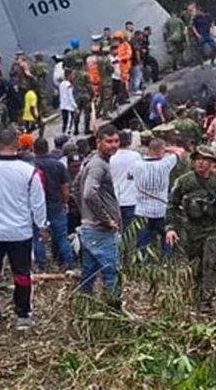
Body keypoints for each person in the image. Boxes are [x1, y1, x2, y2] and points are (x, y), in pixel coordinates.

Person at [0, 129, 48, 331]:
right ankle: (23, 315)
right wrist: (42, 225)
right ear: (18, 145)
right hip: (20, 231)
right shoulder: (29, 171)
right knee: (22, 274)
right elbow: (38, 202)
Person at [165, 145, 216, 312]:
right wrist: (171, 227)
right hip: (191, 230)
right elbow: (172, 205)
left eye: (205, 160)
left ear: (212, 163)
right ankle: (195, 294)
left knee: (211, 262)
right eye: (197, 159)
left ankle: (206, 300)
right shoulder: (184, 182)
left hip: (213, 228)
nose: (200, 163)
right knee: (195, 264)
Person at [77, 124, 121, 302]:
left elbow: (75, 188)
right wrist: (106, 219)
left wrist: (86, 215)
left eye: (116, 141)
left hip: (89, 227)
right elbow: (88, 193)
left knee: (89, 269)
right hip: (100, 230)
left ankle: (83, 304)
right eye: (109, 141)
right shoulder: (98, 165)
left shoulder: (92, 161)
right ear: (99, 142)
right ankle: (114, 309)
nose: (114, 145)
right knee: (111, 271)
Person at [31, 138, 75, 272]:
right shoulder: (57, 165)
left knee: (38, 237)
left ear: (33, 149)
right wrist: (65, 202)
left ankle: (42, 265)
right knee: (62, 236)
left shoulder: (30, 166)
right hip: (56, 205)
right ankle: (69, 263)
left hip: (37, 207)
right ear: (48, 148)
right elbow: (65, 187)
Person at [133, 138, 181, 260]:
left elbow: (129, 176)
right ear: (162, 151)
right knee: (167, 236)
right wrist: (167, 149)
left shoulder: (137, 164)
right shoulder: (165, 164)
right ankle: (166, 261)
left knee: (142, 241)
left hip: (141, 211)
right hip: (161, 209)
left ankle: (141, 263)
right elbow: (180, 150)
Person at [110, 130, 142, 235]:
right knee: (130, 234)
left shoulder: (110, 157)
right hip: (131, 200)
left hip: (113, 200)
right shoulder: (136, 156)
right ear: (129, 141)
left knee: (115, 232)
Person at [58, 70, 77, 135]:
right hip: (69, 107)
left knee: (64, 122)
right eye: (72, 75)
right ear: (69, 76)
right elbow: (70, 97)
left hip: (63, 106)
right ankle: (66, 136)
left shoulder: (61, 84)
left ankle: (63, 134)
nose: (73, 77)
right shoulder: (68, 85)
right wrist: (75, 106)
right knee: (69, 124)